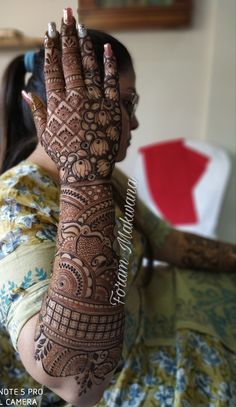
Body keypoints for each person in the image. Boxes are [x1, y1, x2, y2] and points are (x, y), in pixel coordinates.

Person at [0, 7, 236, 407]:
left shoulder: (109, 180)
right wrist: (84, 174)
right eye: (122, 104)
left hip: (152, 324)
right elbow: (77, 383)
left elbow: (169, 243)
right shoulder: (13, 205)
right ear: (58, 110)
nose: (135, 123)